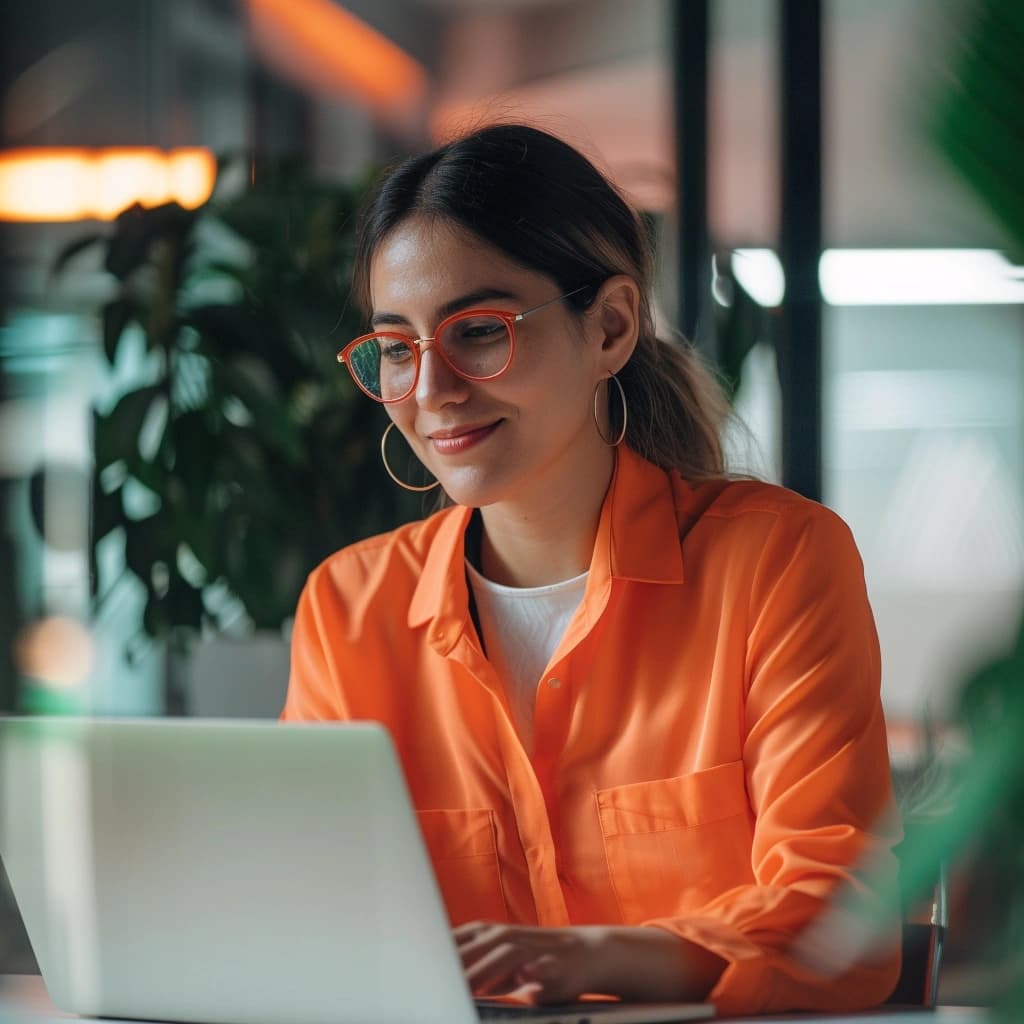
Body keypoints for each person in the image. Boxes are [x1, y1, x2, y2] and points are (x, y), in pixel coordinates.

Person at [281, 123, 902, 1016]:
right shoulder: (346, 608)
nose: (433, 389)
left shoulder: (774, 560)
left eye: (479, 331)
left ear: (609, 327)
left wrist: (601, 956)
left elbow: (848, 917)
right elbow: (308, 916)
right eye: (397, 346)